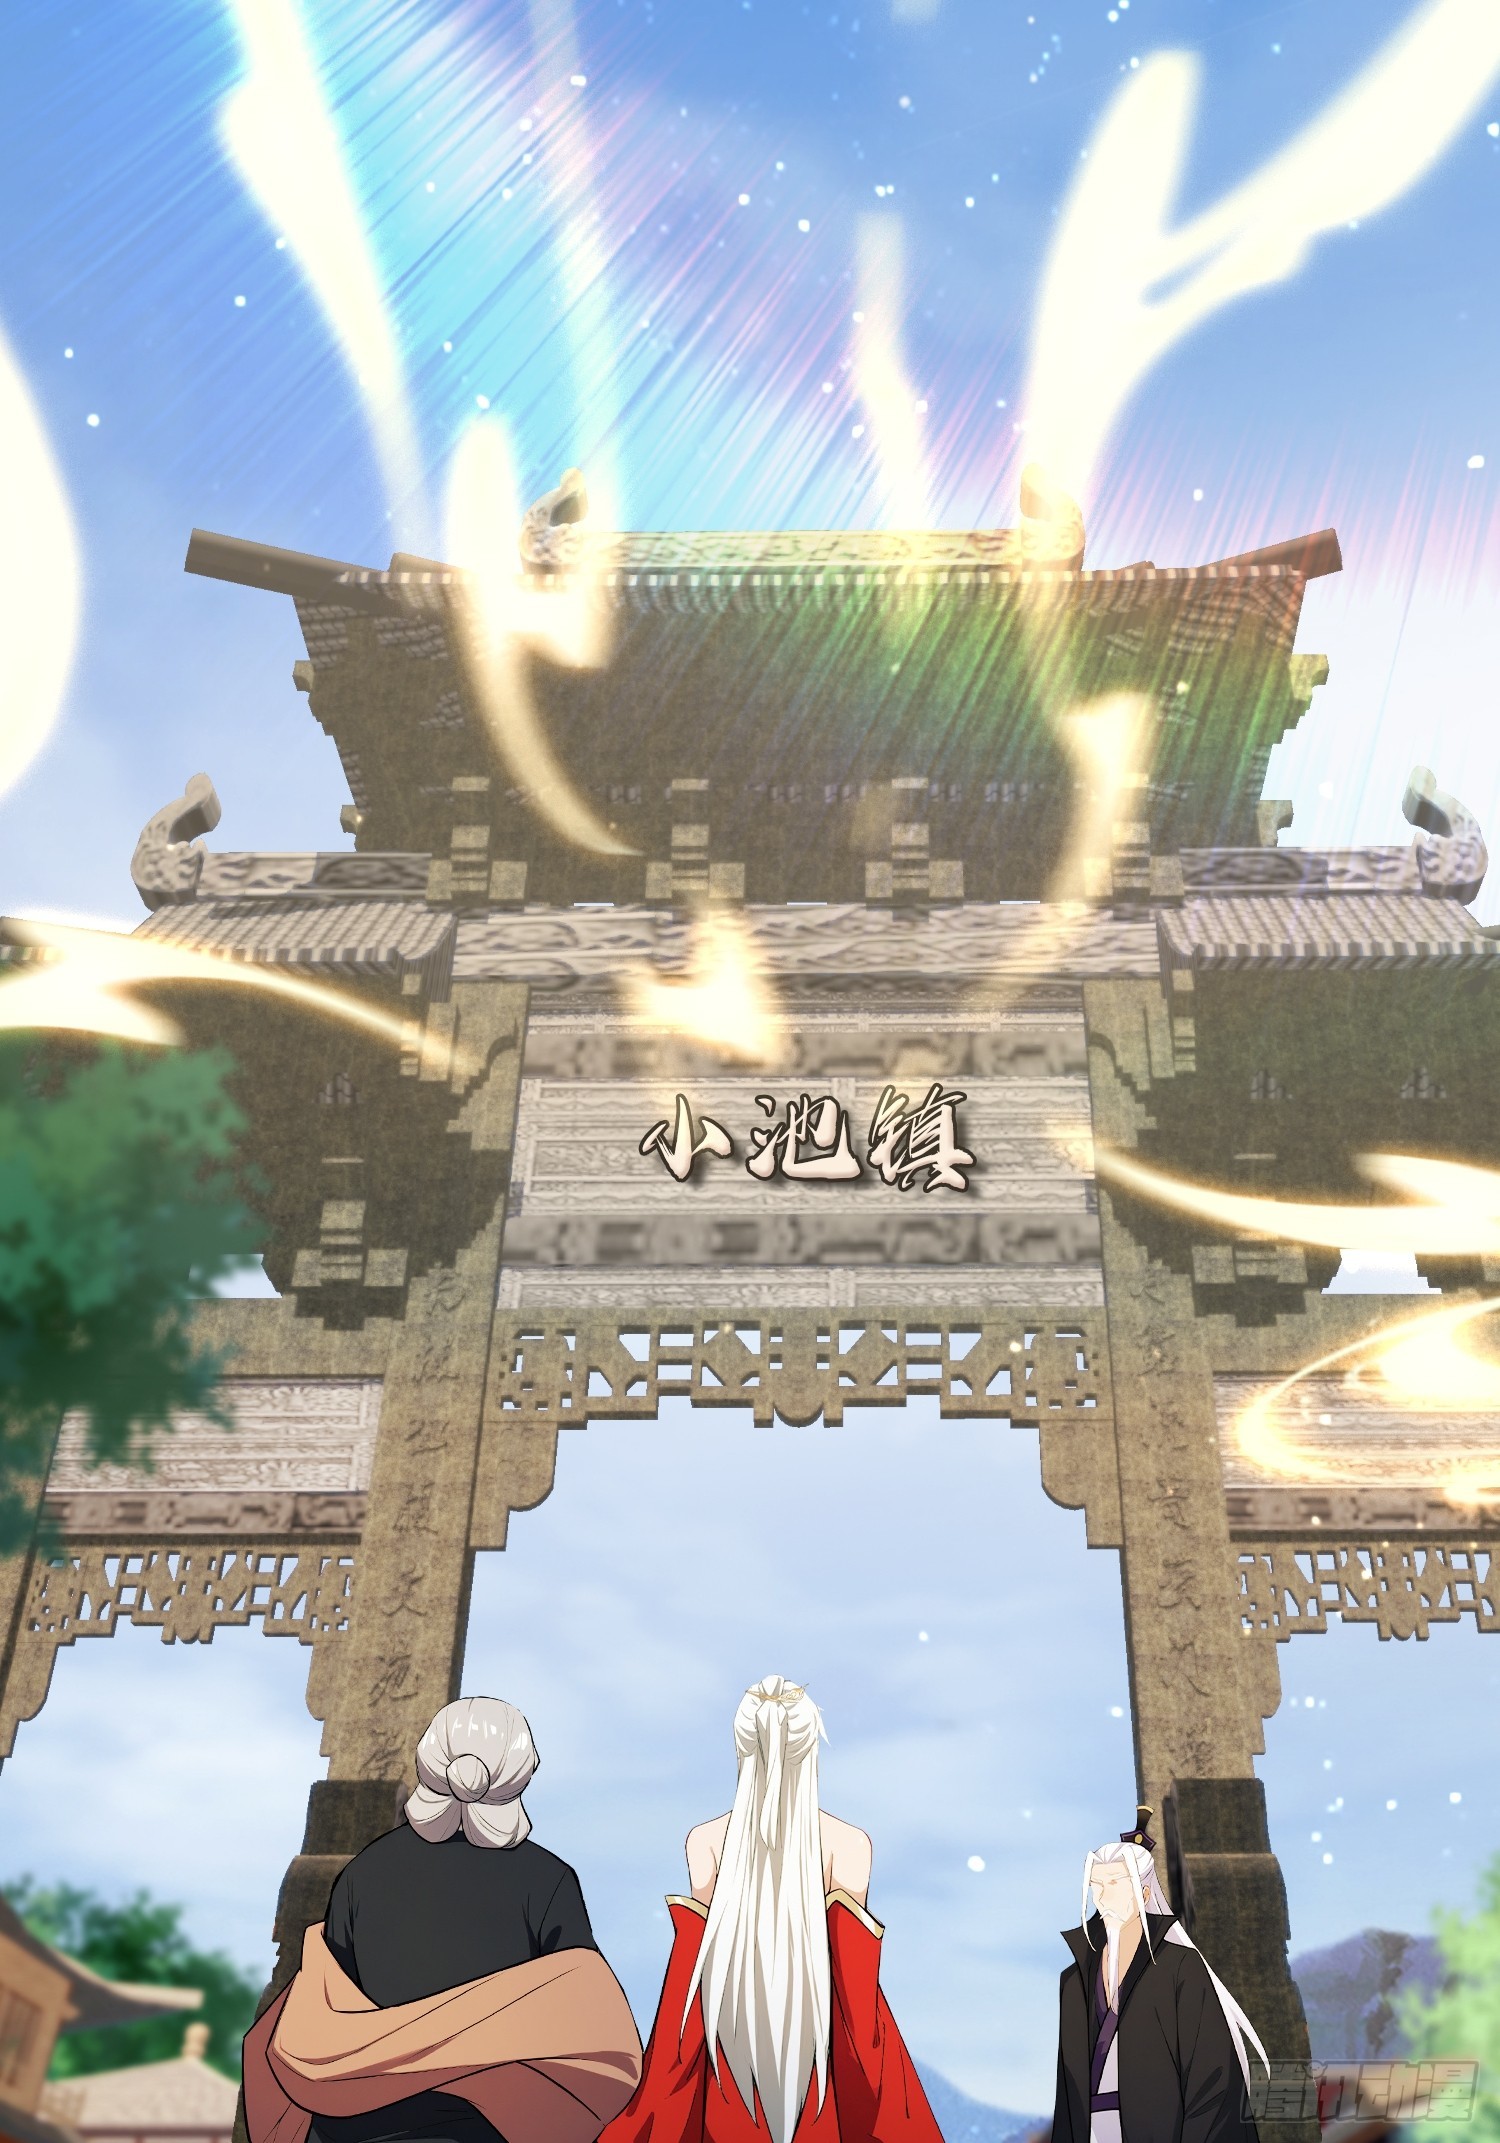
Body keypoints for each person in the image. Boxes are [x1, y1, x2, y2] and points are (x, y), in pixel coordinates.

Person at [242, 1696, 643, 2143]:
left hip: (349, 2124)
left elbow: (326, 1996)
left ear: (430, 1762)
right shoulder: (549, 1880)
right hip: (487, 2127)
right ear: (520, 1772)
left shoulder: (363, 1871)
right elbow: (586, 2020)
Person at [603, 1674, 944, 2143]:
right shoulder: (849, 1846)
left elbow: (687, 1990)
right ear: (811, 1750)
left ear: (741, 1748)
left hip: (725, 2060)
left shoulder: (705, 1842)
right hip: (820, 2067)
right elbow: (856, 2003)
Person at [1052, 1807, 1267, 2143]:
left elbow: (1212, 2079)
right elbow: (1068, 2094)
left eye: (1115, 1883)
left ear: (1145, 1893)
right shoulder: (1074, 1981)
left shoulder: (1179, 1968)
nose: (1103, 1896)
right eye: (1097, 1885)